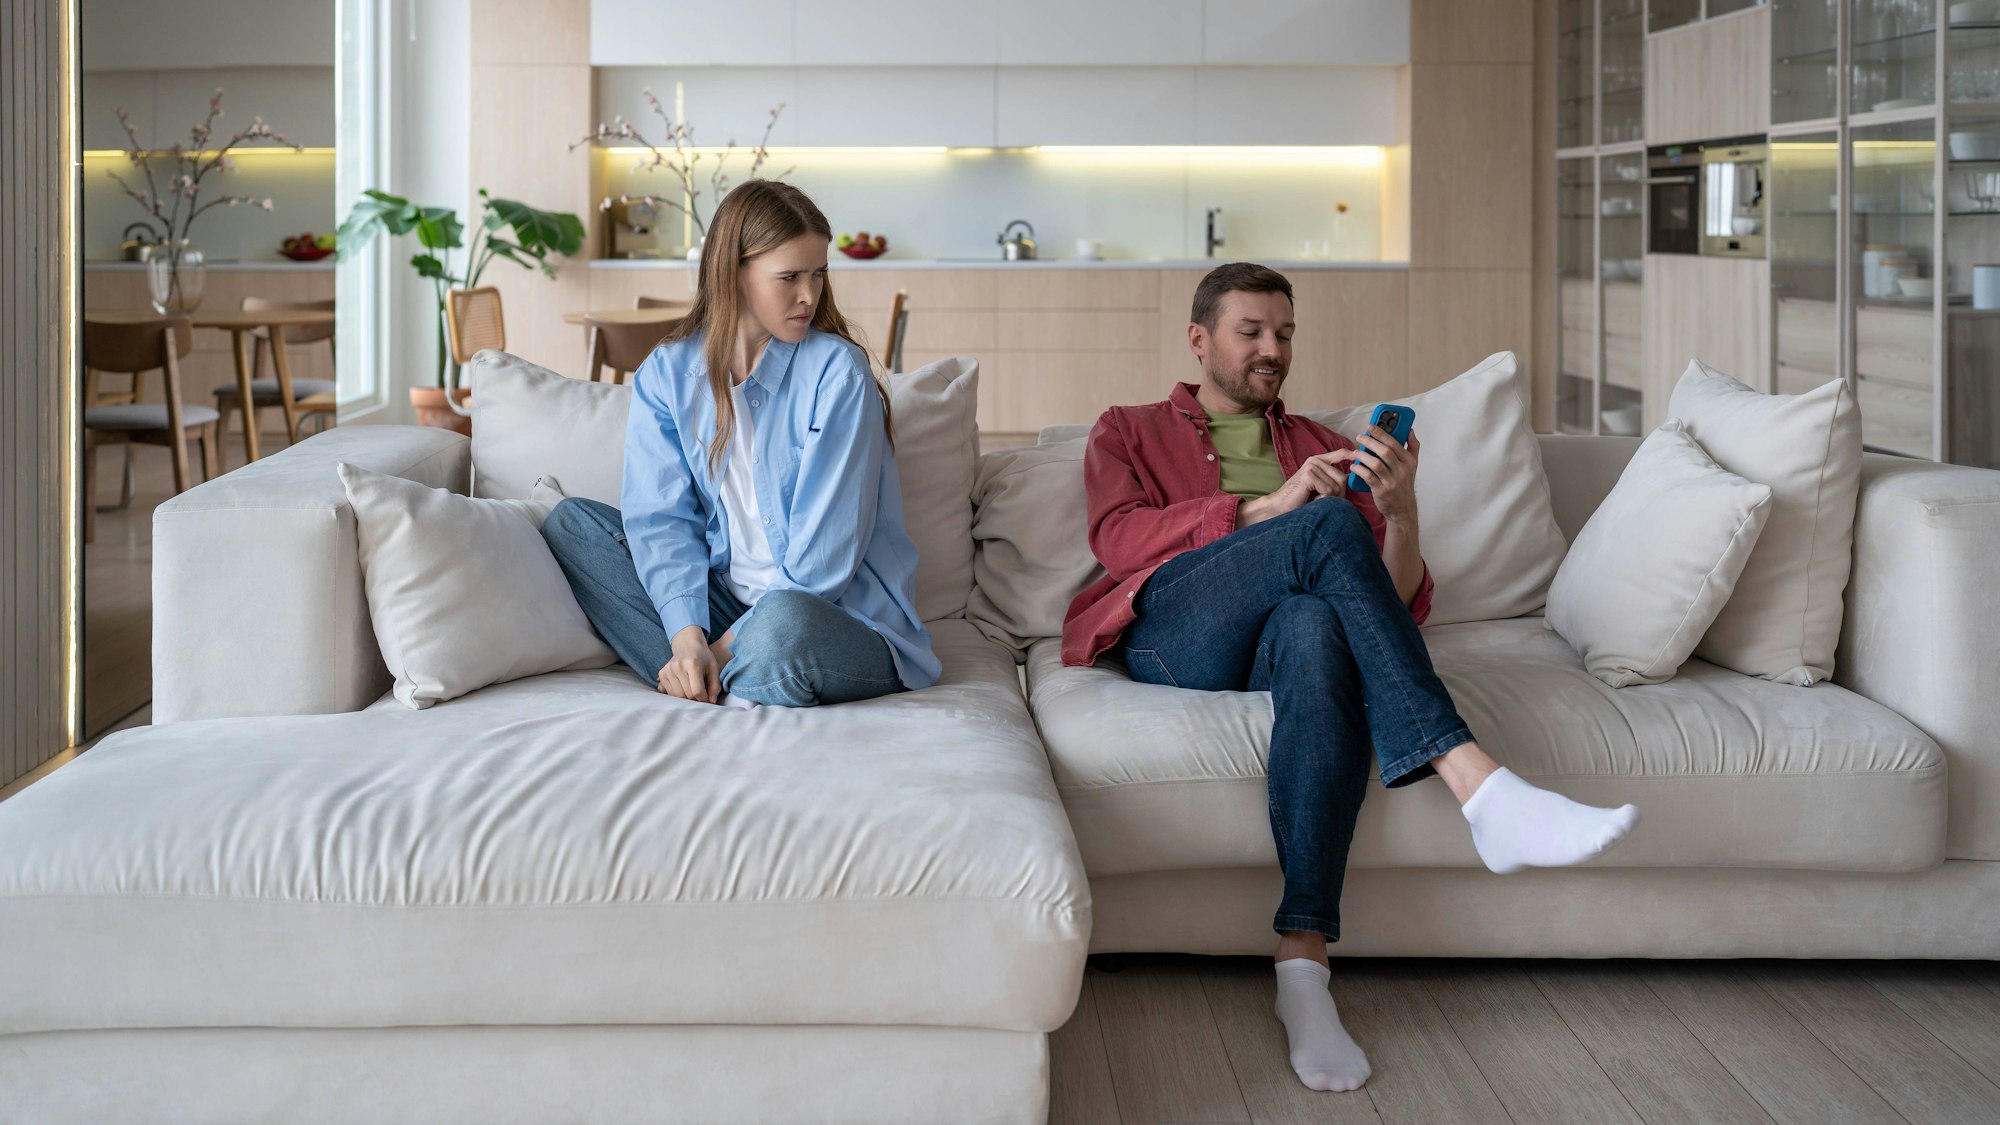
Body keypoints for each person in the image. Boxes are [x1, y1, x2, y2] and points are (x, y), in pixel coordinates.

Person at [1064, 262, 1640, 1092]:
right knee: (1326, 523)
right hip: (1173, 633)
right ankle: (1475, 780)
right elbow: (1120, 540)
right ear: (1199, 339)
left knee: (1316, 622)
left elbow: (1387, 606)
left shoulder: (1315, 444)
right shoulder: (1128, 428)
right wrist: (1271, 507)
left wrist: (1401, 511)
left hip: (1279, 641)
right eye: (1250, 332)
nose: (1272, 349)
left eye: (1284, 333)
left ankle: (1303, 963)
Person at [541, 179, 939, 708]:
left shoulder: (837, 373)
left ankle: (708, 678)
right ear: (733, 273)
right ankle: (708, 674)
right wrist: (687, 638)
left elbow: (823, 562)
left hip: (832, 619)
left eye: (819, 274)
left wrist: (721, 650)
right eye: (789, 277)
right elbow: (661, 519)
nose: (810, 295)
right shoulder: (667, 373)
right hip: (726, 610)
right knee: (573, 525)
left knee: (784, 624)